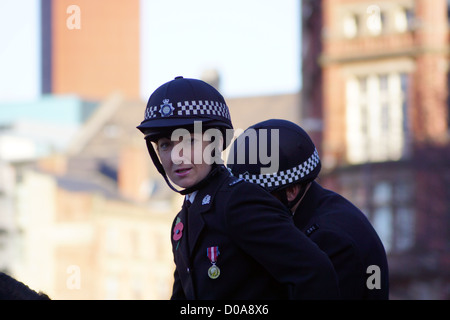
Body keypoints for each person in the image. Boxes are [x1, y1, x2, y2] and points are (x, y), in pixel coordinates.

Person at [137, 77, 339, 299]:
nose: (176, 156)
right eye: (165, 145)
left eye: (189, 141)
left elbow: (315, 273)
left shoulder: (240, 202)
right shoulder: (182, 221)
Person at [227, 119, 389, 299]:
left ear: (290, 191)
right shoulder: (318, 213)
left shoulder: (330, 240)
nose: (249, 208)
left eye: (257, 198)